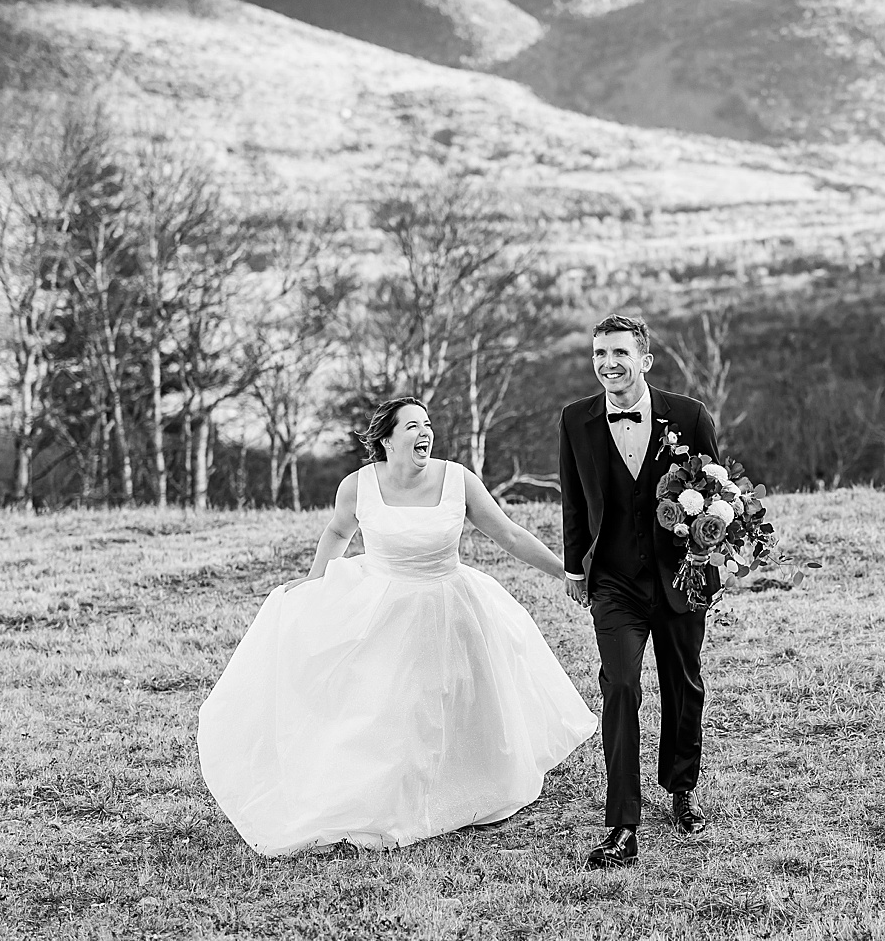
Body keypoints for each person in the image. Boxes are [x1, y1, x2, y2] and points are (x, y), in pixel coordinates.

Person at [197, 396, 596, 856]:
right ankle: (389, 797)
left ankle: (460, 786)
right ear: (386, 439)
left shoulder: (457, 480)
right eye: (411, 426)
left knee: (451, 701)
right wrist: (313, 587)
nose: (424, 433)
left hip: (451, 603)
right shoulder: (358, 486)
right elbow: (336, 534)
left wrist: (569, 574)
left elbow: (509, 534)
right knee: (390, 707)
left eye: (427, 424)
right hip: (383, 608)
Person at [559, 314, 720, 870]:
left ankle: (681, 792)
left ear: (645, 360)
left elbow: (717, 496)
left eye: (620, 353)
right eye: (600, 352)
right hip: (614, 583)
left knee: (683, 684)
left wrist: (707, 560)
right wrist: (575, 571)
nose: (608, 363)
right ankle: (622, 823)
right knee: (621, 686)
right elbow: (575, 503)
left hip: (679, 578)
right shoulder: (575, 420)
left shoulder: (690, 417)